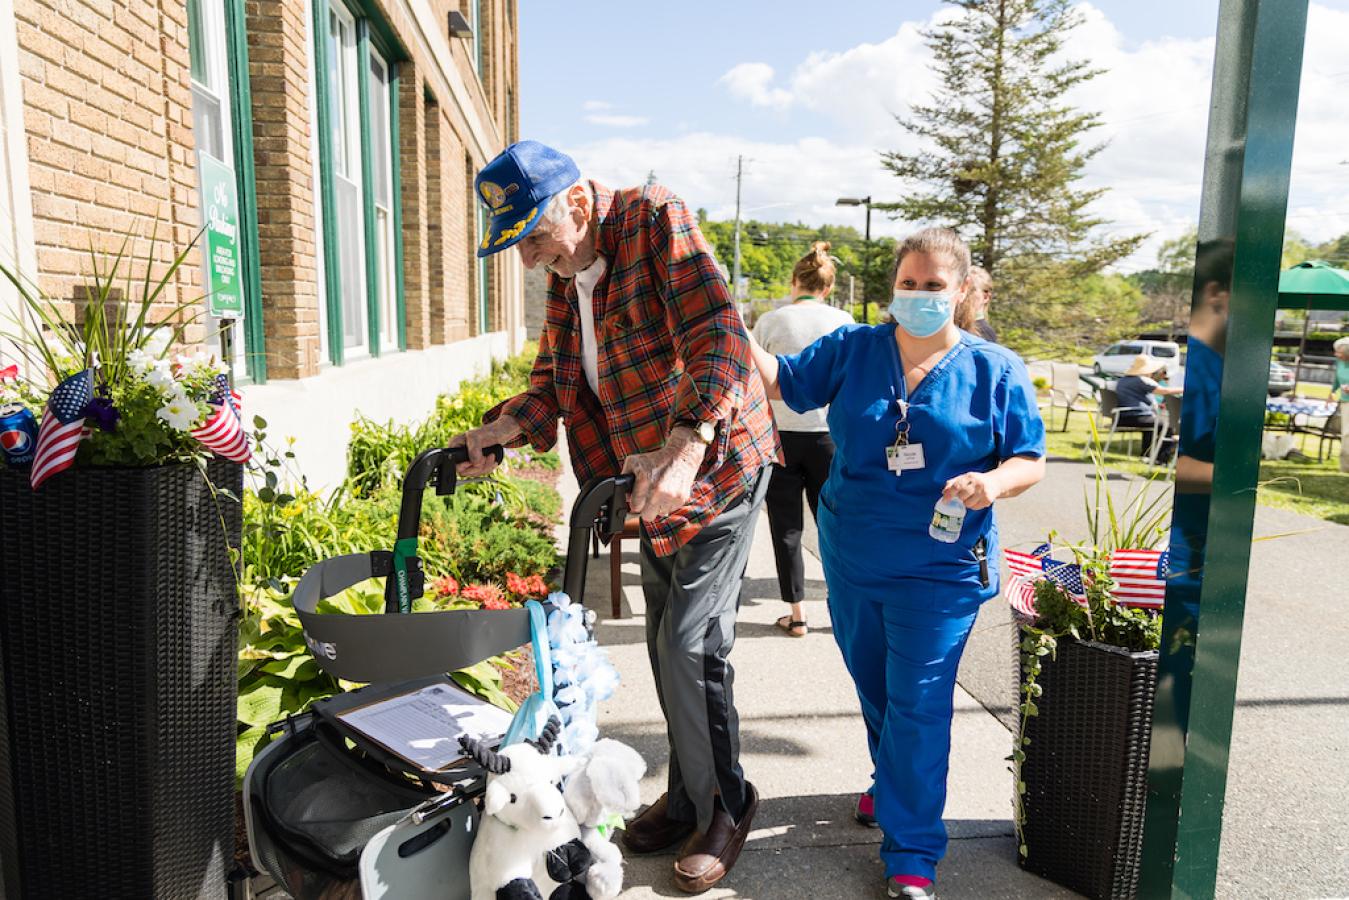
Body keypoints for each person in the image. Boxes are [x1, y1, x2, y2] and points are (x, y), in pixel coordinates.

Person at [451, 141, 779, 894]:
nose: (531, 263)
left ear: (574, 202)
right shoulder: (572, 276)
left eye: (533, 238)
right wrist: (504, 429)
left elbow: (718, 336)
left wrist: (689, 444)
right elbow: (557, 381)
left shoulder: (652, 219)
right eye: (519, 250)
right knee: (669, 647)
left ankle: (728, 804)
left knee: (691, 645)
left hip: (717, 466)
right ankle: (692, 795)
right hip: (648, 481)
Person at [747, 227, 1046, 899]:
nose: (916, 296)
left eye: (932, 286)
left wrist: (991, 484)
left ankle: (911, 850)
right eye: (906, 284)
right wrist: (724, 325)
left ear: (962, 290)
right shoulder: (855, 349)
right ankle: (891, 786)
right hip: (853, 557)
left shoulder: (994, 368)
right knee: (876, 686)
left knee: (919, 702)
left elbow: (1029, 456)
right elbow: (785, 385)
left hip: (940, 568)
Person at [751, 242, 854, 637]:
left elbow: (757, 378)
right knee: (832, 523)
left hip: (780, 437)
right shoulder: (844, 320)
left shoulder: (772, 321)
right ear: (827, 287)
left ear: (795, 281)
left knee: (786, 526)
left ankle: (796, 614)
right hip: (830, 436)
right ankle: (841, 607)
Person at [1114, 355, 1183, 463]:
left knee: (1153, 425)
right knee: (1166, 425)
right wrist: (1185, 389)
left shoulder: (1123, 380)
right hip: (1136, 416)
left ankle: (1146, 454)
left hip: (1122, 416)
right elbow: (1164, 391)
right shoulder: (1141, 380)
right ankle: (1160, 458)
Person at [954, 265, 998, 342]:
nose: (964, 294)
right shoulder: (951, 327)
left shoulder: (985, 332)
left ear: (985, 297)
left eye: (971, 290)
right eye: (961, 289)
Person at [1332, 336, 1349, 472]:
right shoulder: (1340, 362)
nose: (1336, 355)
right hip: (1345, 401)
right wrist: (1332, 392)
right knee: (1346, 434)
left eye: (1339, 352)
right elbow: (1337, 379)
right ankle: (1345, 467)